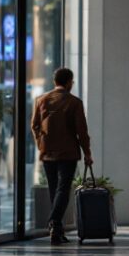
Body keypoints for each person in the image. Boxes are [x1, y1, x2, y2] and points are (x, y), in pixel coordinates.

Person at [30, 67, 93, 245]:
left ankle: (56, 230)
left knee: (54, 189)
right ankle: (54, 221)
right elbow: (82, 131)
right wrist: (87, 153)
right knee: (63, 189)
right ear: (68, 82)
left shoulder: (41, 100)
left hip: (47, 152)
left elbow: (34, 125)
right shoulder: (74, 102)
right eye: (71, 82)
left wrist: (41, 143)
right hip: (68, 153)